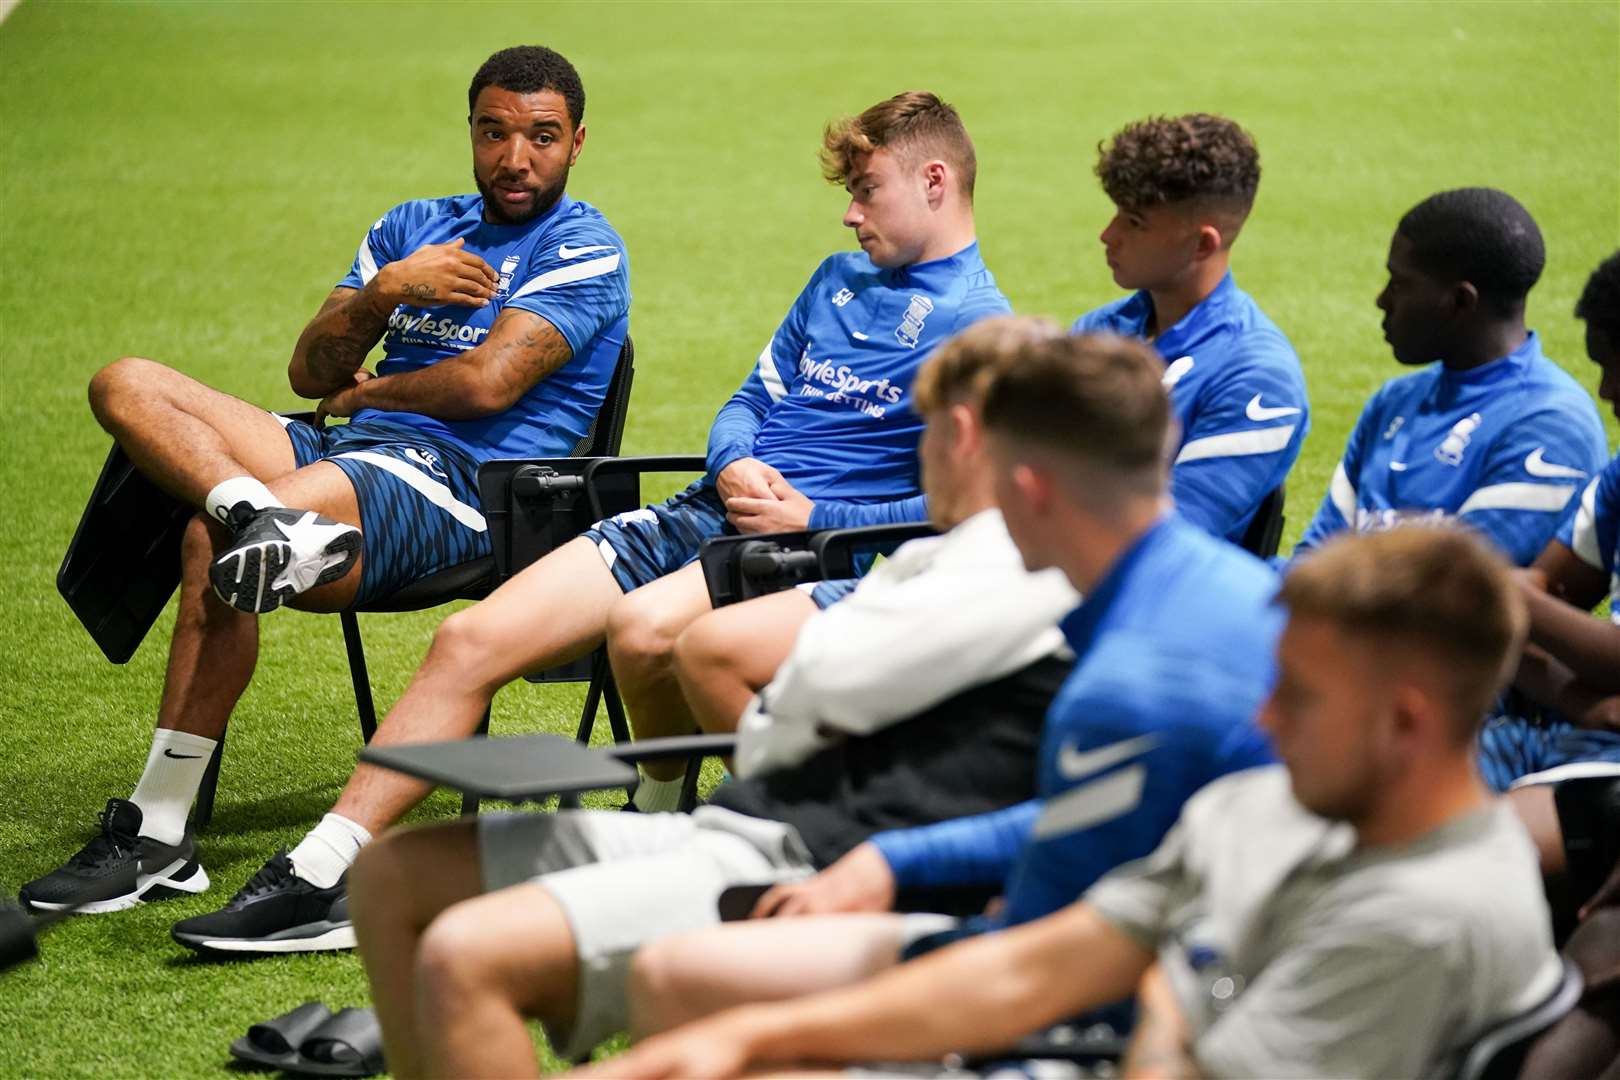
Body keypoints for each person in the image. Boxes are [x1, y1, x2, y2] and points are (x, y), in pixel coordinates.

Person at [130, 90, 1006, 955]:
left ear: (935, 181)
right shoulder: (836, 279)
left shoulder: (982, 327)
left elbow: (969, 507)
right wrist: (731, 458)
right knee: (467, 643)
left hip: (808, 549)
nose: (850, 214)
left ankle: (664, 840)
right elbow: (749, 399)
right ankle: (326, 874)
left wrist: (820, 512)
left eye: (867, 190)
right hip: (702, 511)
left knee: (645, 635)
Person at [346, 315, 1076, 1077]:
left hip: (799, 859)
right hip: (744, 823)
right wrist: (788, 725)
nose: (914, 462)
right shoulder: (942, 555)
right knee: (395, 874)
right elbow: (805, 705)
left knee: (466, 953)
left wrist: (788, 727)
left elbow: (812, 695)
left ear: (961, 434)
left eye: (921, 436)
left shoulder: (1004, 568)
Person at [20, 46, 631, 921]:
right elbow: (310, 372)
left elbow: (488, 384)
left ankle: (157, 828)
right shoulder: (412, 225)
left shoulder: (585, 247)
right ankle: (262, 513)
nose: (515, 158)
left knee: (209, 536)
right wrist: (382, 294)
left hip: (465, 485)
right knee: (126, 383)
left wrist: (369, 392)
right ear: (471, 131)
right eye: (494, 133)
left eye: (541, 137)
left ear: (576, 142)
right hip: (342, 453)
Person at [606, 528, 1562, 1080]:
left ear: (1404, 722)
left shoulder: (1432, 915)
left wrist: (1165, 990)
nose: (1262, 716)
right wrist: (749, 1037)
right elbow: (1041, 967)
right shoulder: (1265, 803)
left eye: (1299, 695)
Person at [674, 111, 1309, 740]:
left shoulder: (1257, 377)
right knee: (730, 658)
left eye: (1134, 222)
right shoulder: (1098, 332)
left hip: (1063, 615)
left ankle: (806, 820)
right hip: (987, 569)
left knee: (730, 658)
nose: (1106, 234)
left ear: (1201, 243)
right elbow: (998, 483)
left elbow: (1163, 541)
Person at [1294, 187, 1607, 565]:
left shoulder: (1552, 426)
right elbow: (1314, 559)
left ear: (1460, 301)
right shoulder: (1394, 401)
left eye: (1399, 283)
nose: (1382, 300)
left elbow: (1453, 596)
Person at [1478, 251, 1620, 876]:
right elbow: (1513, 610)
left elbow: (1522, 602)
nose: (1607, 391)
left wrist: (1511, 595)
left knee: (1450, 856)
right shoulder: (1619, 480)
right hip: (1572, 732)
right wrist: (1582, 699)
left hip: (1606, 767)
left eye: (1617, 367)